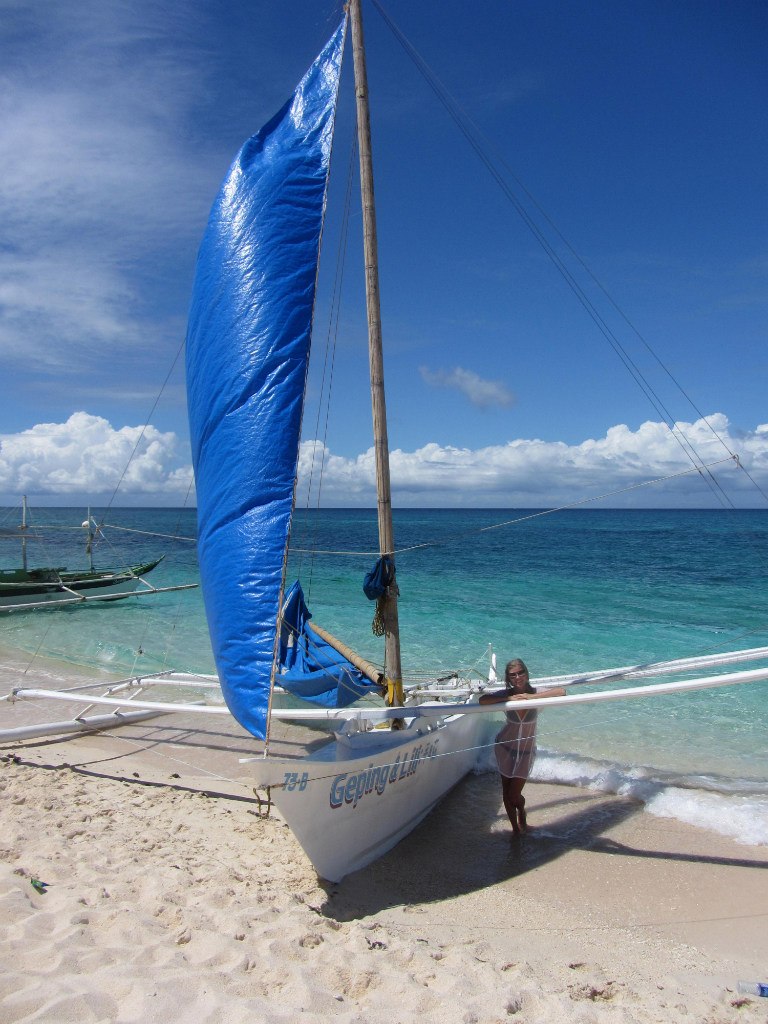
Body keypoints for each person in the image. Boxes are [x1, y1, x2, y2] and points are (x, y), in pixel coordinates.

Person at [479, 659, 565, 834]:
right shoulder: (507, 694)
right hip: (504, 748)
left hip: (526, 752)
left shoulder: (536, 692)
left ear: (526, 673)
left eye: (520, 673)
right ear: (508, 678)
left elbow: (561, 692)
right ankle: (516, 831)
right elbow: (483, 700)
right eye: (513, 675)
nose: (517, 677)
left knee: (514, 795)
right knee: (506, 792)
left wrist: (531, 698)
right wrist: (507, 699)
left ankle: (522, 812)